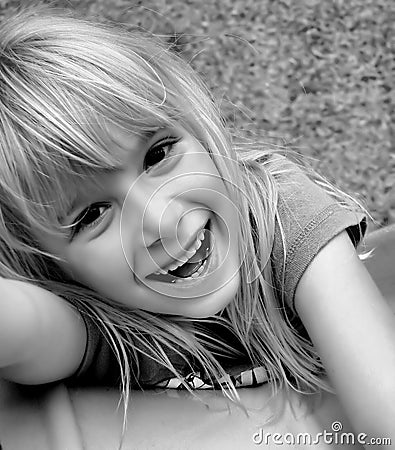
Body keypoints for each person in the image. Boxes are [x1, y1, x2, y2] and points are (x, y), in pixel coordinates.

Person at [0, 5, 394, 442]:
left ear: (195, 119)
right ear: (50, 267)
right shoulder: (100, 316)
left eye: (158, 154)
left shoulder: (280, 212)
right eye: (92, 215)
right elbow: (20, 326)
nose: (164, 222)